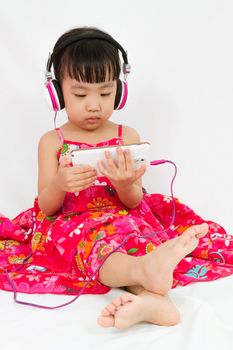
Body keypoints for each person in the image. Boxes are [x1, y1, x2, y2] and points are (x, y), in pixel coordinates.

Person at [0, 26, 233, 330]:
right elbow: (45, 208)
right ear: (57, 94)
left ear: (120, 92)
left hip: (119, 216)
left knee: (132, 237)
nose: (94, 104)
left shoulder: (127, 136)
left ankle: (153, 301)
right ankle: (149, 283)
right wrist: (59, 183)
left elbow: (134, 201)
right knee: (95, 245)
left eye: (106, 92)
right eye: (80, 94)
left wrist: (125, 184)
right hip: (71, 223)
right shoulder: (52, 141)